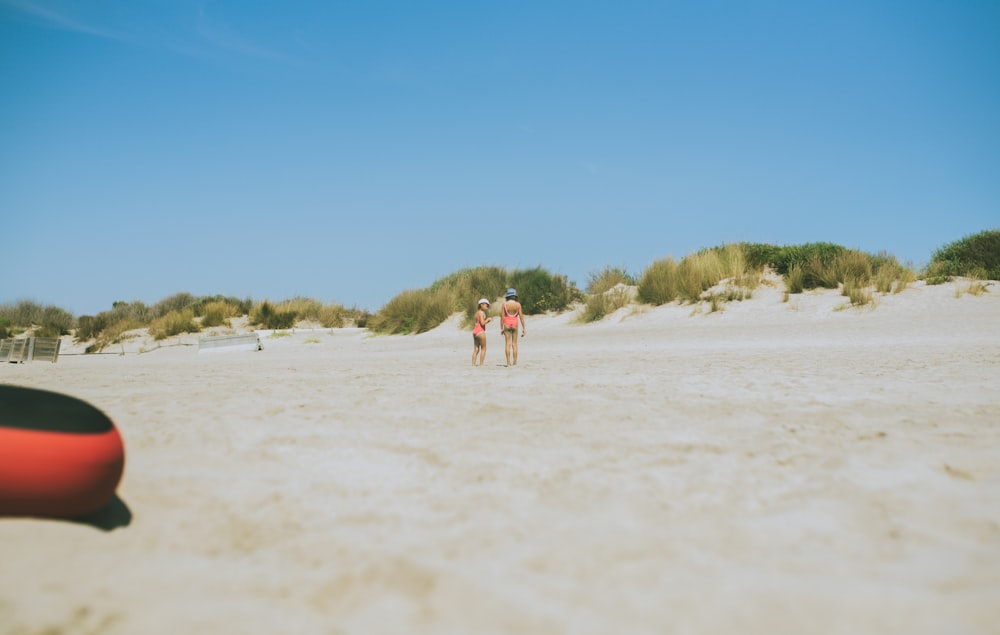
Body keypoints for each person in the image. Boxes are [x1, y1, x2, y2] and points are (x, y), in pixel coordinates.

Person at [500, 288, 525, 366]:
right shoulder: (518, 304)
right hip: (515, 325)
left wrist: (501, 328)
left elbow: (502, 317)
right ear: (514, 296)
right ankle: (515, 361)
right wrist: (524, 328)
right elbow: (521, 316)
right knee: (514, 344)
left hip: (506, 324)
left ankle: (508, 362)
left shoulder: (504, 305)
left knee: (507, 344)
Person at [472, 298, 492, 366]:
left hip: (475, 332)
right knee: (484, 348)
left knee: (476, 350)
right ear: (481, 305)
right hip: (480, 332)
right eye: (486, 305)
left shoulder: (477, 313)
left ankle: (473, 364)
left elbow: (476, 322)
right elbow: (482, 323)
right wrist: (488, 320)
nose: (487, 307)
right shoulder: (481, 313)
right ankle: (481, 364)